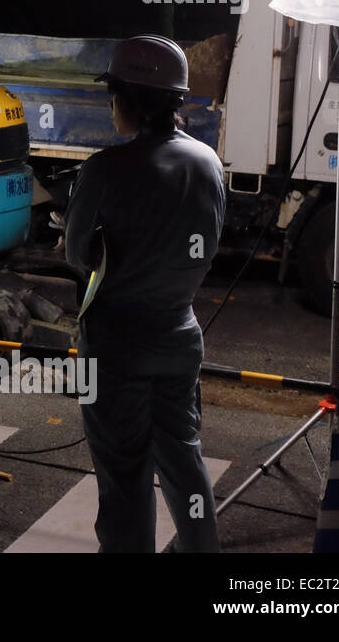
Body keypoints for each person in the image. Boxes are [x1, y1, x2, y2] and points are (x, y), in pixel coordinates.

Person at [63, 34, 225, 552]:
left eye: (113, 95)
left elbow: (77, 255)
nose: (111, 107)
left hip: (115, 349)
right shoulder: (207, 163)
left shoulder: (105, 169)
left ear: (129, 100)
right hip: (179, 336)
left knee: (124, 475)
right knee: (183, 457)